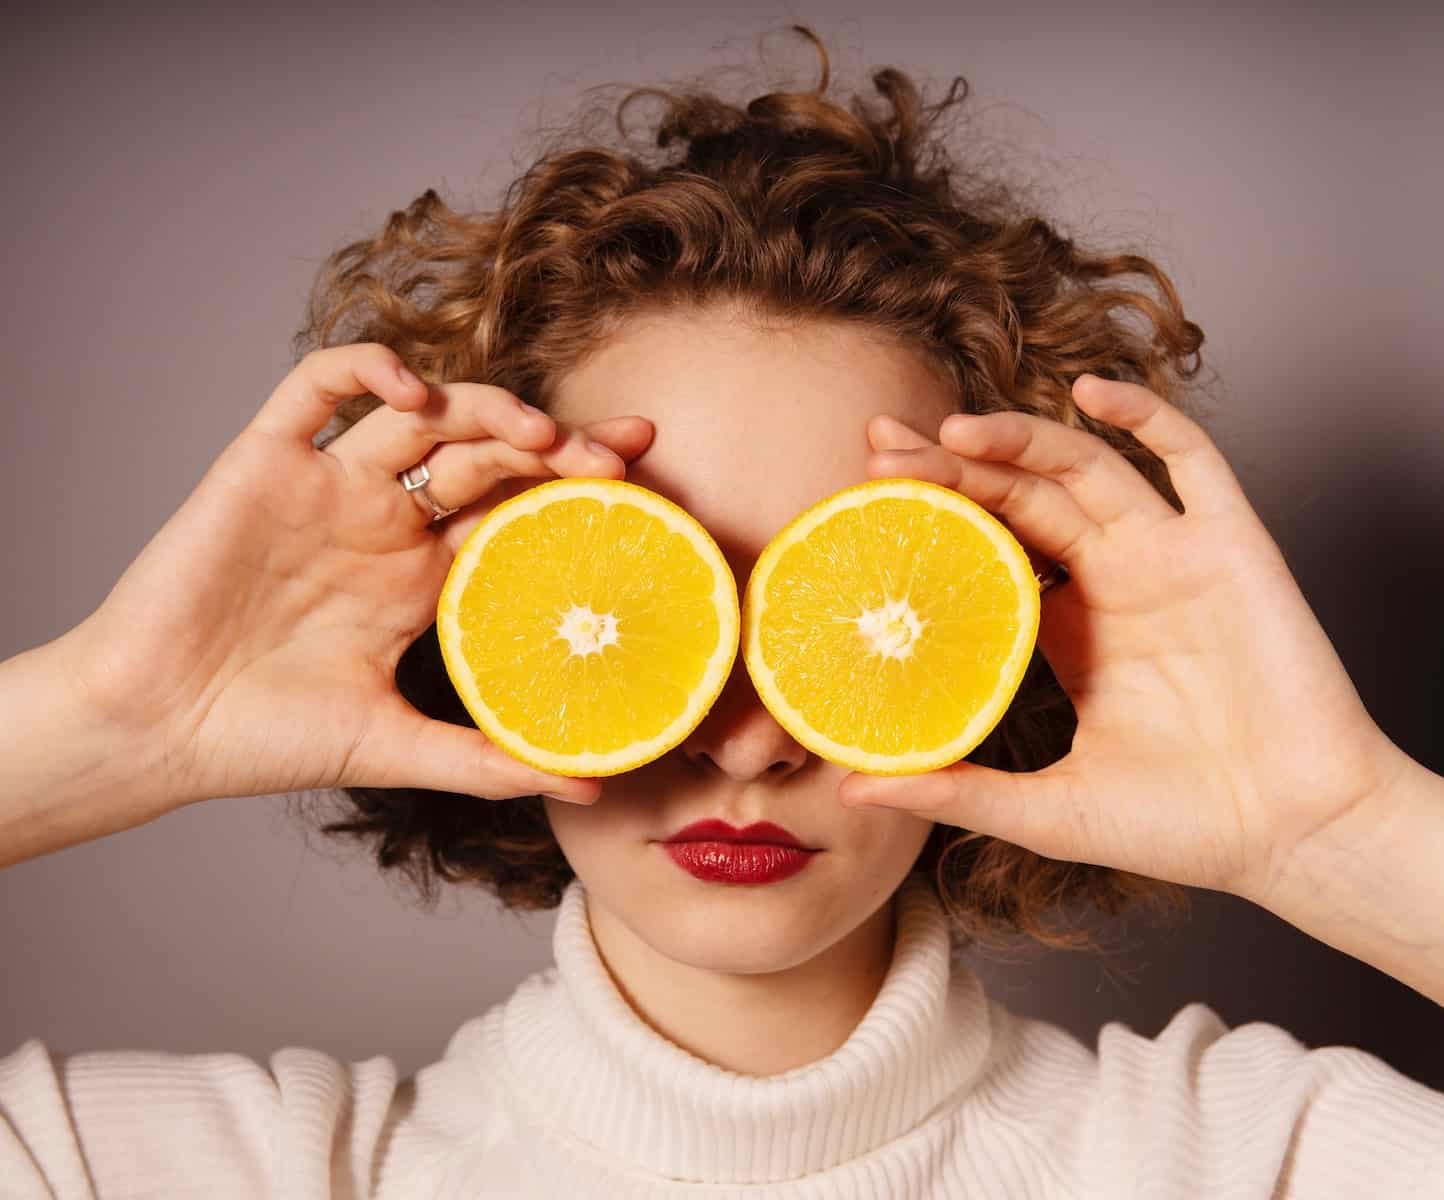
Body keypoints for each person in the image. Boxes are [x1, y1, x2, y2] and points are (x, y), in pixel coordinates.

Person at [2, 23, 1441, 1199]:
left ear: (1005, 637)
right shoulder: (192, 1174)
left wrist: (1336, 829)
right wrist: (120, 724)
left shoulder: (1262, 1162)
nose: (747, 741)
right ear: (483, 622)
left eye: (848, 598)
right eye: (653, 598)